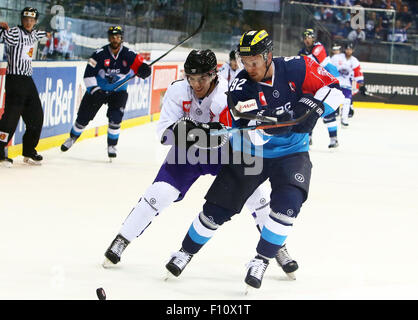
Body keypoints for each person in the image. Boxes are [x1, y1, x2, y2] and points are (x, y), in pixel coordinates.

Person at [164, 30, 344, 290]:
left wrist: (313, 107)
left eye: (254, 62)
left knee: (289, 205)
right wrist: (275, 123)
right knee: (216, 210)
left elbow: (334, 89)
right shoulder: (241, 86)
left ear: (268, 56)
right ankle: (185, 252)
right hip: (250, 153)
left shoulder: (299, 66)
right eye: (245, 62)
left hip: (292, 153)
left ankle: (260, 260)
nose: (249, 68)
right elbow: (250, 129)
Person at [102, 49, 274, 270]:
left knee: (256, 194)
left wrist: (208, 133)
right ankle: (122, 239)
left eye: (202, 77)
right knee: (159, 193)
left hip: (226, 154)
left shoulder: (226, 95)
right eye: (191, 78)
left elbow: (238, 135)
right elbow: (163, 134)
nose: (196, 84)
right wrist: (196, 134)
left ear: (214, 74)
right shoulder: (177, 90)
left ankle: (277, 247)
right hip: (188, 153)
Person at [60, 26, 151, 159]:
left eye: (118, 36)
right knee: (83, 117)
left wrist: (145, 71)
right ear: (109, 38)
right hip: (98, 90)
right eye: (113, 37)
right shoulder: (99, 54)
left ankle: (112, 145)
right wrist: (96, 90)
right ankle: (72, 138)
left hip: (118, 92)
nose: (115, 39)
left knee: (116, 118)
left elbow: (142, 68)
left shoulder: (129, 54)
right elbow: (88, 75)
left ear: (121, 38)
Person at [0, 7, 51, 167]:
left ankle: (29, 151)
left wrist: (50, 33)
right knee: (10, 118)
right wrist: (1, 27)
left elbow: (43, 34)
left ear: (35, 21)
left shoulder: (34, 33)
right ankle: (0, 152)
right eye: (26, 19)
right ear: (22, 19)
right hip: (15, 80)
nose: (28, 22)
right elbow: (3, 36)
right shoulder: (15, 33)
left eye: (32, 20)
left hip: (27, 80)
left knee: (36, 116)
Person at [298, 28, 340, 149]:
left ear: (313, 38)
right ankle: (308, 138)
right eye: (305, 38)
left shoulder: (319, 48)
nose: (307, 40)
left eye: (309, 37)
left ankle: (333, 139)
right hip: (316, 83)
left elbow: (311, 62)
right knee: (308, 110)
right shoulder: (302, 51)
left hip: (330, 82)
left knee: (327, 111)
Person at [331, 42, 365, 127]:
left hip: (347, 85)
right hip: (336, 84)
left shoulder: (355, 61)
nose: (348, 51)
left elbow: (358, 75)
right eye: (347, 49)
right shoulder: (336, 58)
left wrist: (362, 86)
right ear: (344, 49)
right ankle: (331, 115)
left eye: (350, 49)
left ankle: (344, 119)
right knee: (333, 100)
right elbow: (329, 68)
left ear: (353, 50)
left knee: (347, 101)